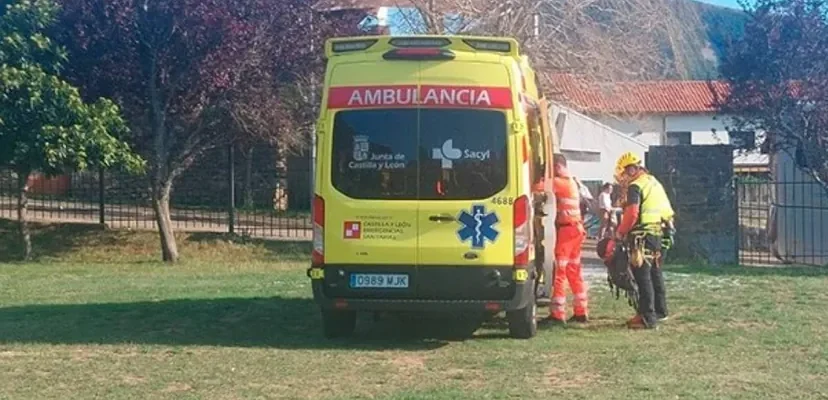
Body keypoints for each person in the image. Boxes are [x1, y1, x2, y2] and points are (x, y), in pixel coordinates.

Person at [614, 152, 675, 330]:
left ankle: (647, 317)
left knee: (643, 276)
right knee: (655, 272)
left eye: (625, 173)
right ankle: (660, 311)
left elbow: (632, 214)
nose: (624, 177)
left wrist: (620, 232)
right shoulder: (654, 182)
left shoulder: (636, 186)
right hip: (657, 234)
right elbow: (667, 210)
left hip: (642, 236)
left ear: (632, 169)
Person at [540, 154, 588, 326]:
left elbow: (536, 186)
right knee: (574, 271)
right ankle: (581, 311)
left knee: (560, 271)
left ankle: (558, 313)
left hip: (567, 231)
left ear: (558, 167)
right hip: (576, 229)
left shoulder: (559, 183)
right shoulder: (572, 182)